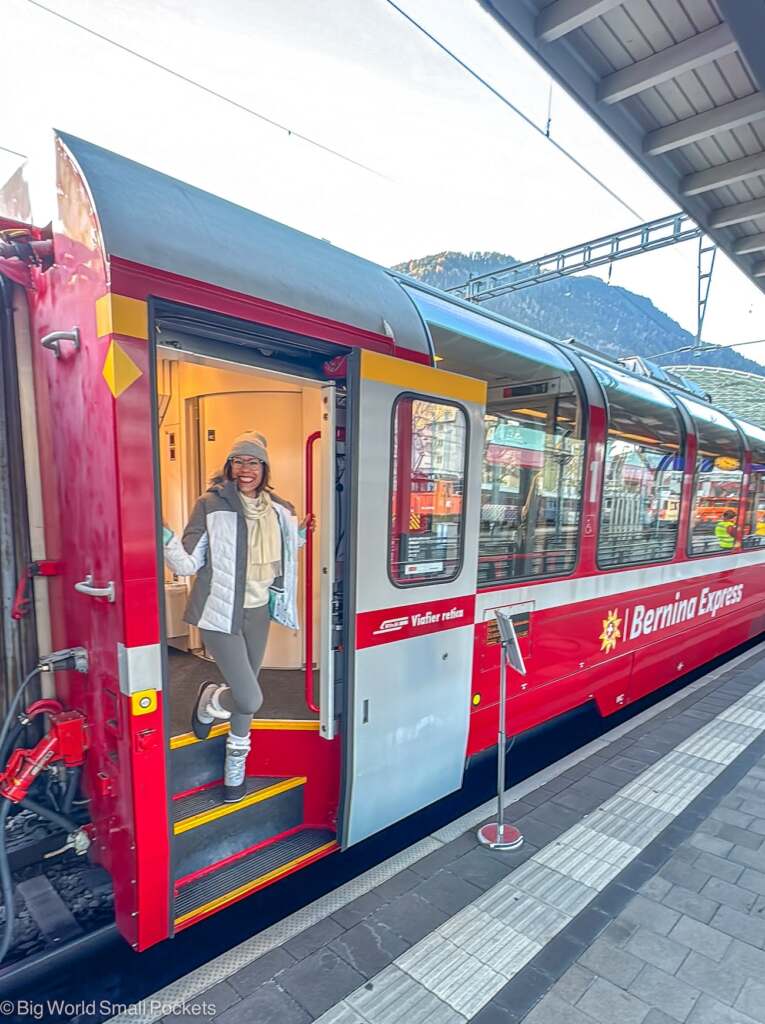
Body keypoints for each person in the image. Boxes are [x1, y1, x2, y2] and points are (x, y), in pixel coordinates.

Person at [163, 431, 313, 802]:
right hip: (219, 614)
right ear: (229, 467)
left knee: (250, 689)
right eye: (239, 461)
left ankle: (236, 764)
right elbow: (187, 562)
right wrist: (163, 537)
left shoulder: (280, 509)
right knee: (249, 697)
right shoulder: (211, 505)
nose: (246, 469)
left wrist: (301, 535)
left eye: (253, 462)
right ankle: (212, 701)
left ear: (264, 468)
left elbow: (282, 551)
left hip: (258, 612)